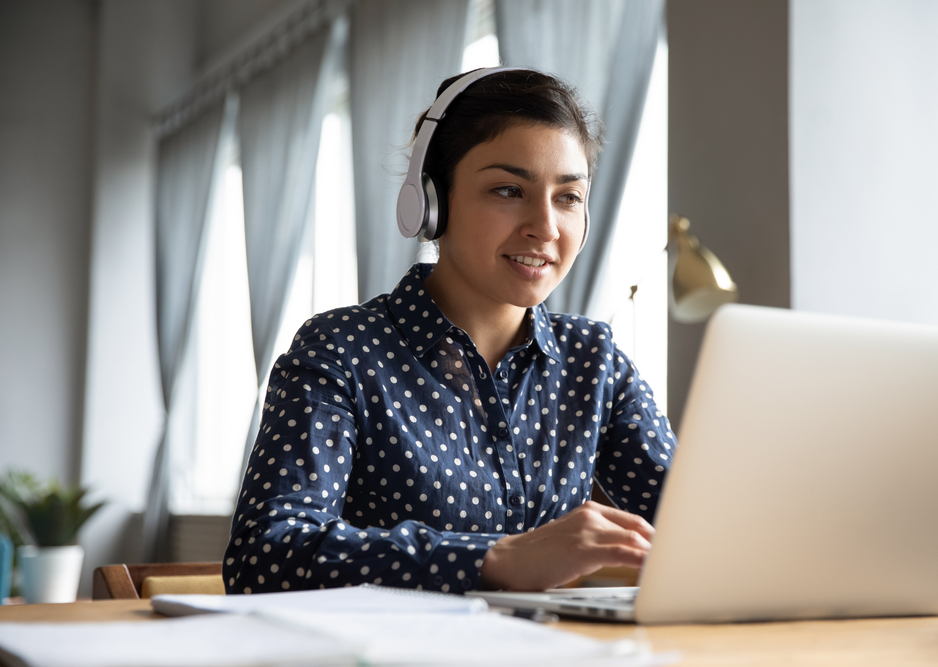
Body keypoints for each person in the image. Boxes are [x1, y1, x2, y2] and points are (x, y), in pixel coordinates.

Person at [224, 68, 676, 595]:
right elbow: (265, 556)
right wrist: (496, 558)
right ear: (432, 203)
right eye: (509, 190)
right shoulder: (342, 350)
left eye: (569, 197)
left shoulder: (593, 360)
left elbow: (698, 525)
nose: (546, 227)